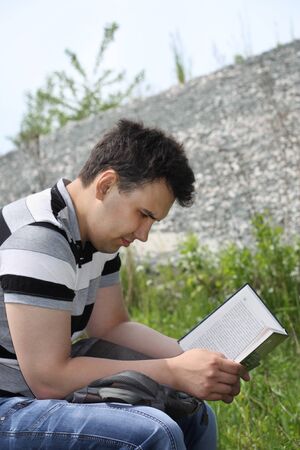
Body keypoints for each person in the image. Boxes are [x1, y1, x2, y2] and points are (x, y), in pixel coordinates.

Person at [0, 119, 249, 449]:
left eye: (153, 221)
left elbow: (112, 325)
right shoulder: (40, 239)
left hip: (31, 385)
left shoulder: (95, 235)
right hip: (8, 400)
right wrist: (174, 371)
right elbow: (48, 378)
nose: (144, 234)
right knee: (152, 432)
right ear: (105, 185)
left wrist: (202, 358)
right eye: (143, 214)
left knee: (191, 411)